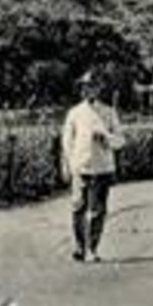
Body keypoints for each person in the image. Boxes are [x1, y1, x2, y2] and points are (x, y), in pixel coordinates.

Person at [59, 72, 125, 263]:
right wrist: (68, 165)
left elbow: (120, 140)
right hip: (80, 167)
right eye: (85, 87)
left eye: (92, 86)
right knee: (77, 207)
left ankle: (92, 248)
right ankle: (79, 247)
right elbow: (67, 142)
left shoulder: (108, 112)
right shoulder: (75, 113)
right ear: (81, 90)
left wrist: (107, 139)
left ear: (99, 88)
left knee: (97, 210)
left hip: (102, 168)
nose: (88, 90)